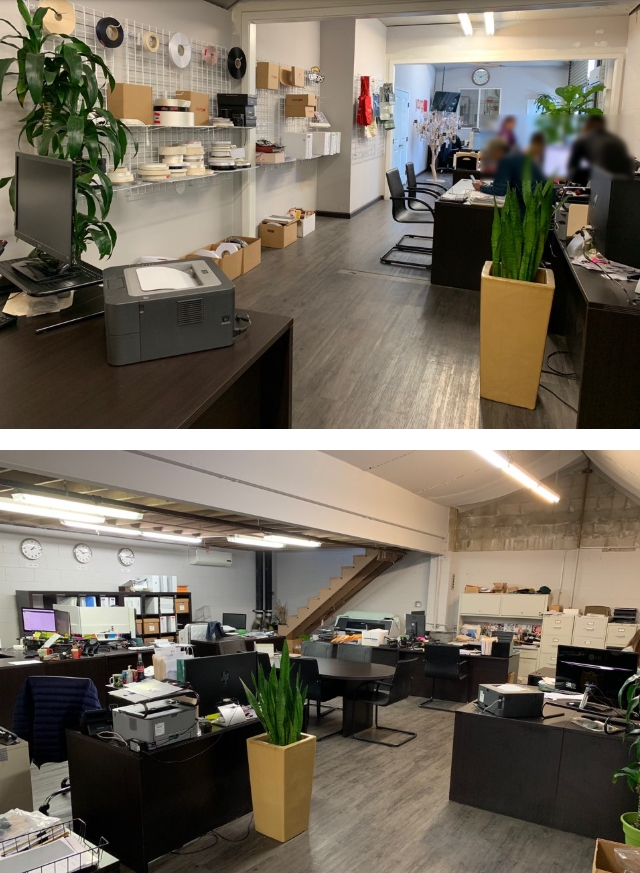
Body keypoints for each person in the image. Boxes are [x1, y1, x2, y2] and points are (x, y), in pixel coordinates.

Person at [472, 137, 545, 206]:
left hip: (528, 203)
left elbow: (499, 191)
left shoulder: (505, 160)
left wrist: (480, 187)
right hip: (540, 197)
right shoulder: (515, 153)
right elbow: (504, 185)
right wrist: (488, 185)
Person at [568, 115, 633, 185]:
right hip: (624, 182)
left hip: (600, 180)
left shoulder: (584, 140)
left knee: (579, 172)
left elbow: (573, 163)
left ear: (587, 126)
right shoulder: (616, 139)